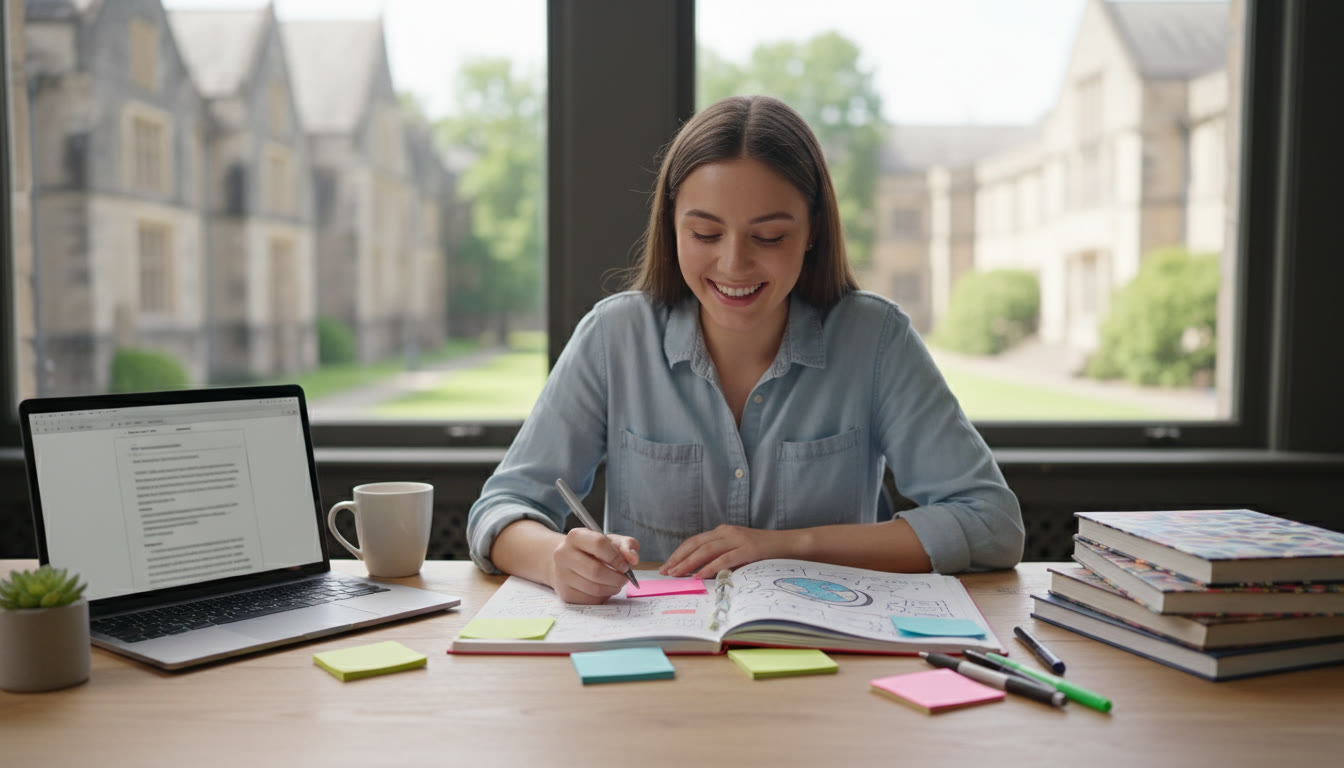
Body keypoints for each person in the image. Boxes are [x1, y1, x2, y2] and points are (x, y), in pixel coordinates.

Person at [467, 95, 1023, 604]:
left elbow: (992, 523)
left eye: (769, 237)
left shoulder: (875, 339)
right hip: (657, 659)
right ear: (672, 227)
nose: (733, 265)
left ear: (812, 231)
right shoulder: (614, 336)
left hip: (828, 656)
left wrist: (787, 546)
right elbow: (501, 509)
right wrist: (556, 559)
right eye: (705, 235)